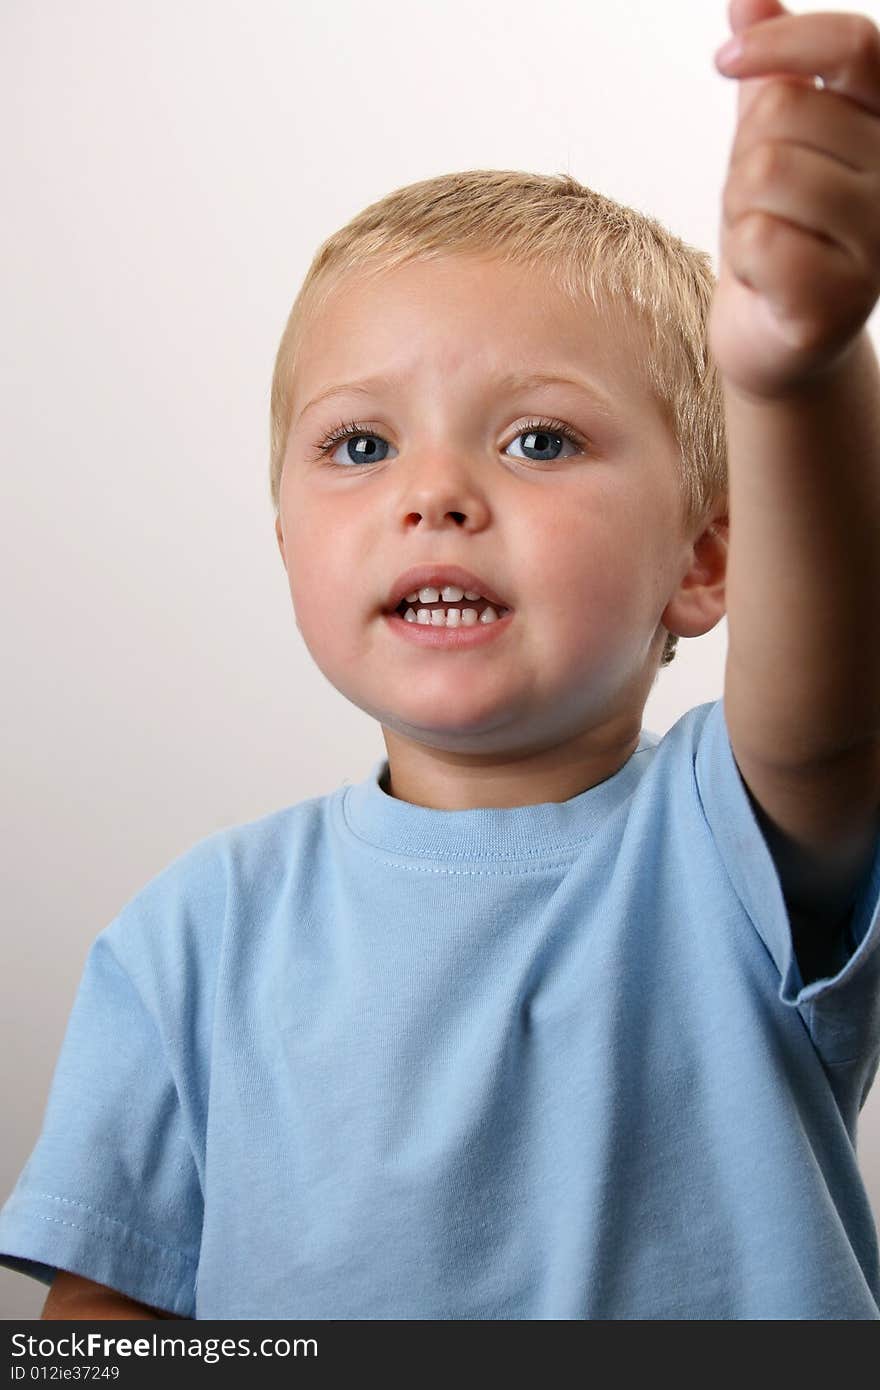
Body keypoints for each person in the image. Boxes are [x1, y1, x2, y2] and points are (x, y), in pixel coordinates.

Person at [4, 3, 880, 1319]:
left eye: (538, 440)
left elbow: (832, 696)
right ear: (288, 533)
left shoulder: (732, 846)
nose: (437, 495)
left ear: (707, 563)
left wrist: (796, 378)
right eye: (362, 446)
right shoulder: (188, 938)